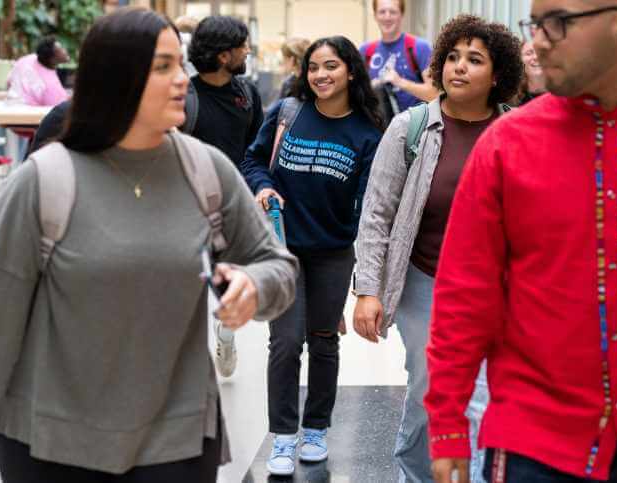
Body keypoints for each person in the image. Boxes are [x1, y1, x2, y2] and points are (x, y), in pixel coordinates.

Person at [0, 7, 297, 482]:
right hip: (50, 439)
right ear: (115, 77)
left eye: (180, 64)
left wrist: (254, 285)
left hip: (176, 439)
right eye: (163, 66)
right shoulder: (44, 181)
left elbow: (276, 266)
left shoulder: (205, 171)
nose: (182, 79)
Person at [425, 1, 617, 482]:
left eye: (557, 24)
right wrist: (448, 426)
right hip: (536, 445)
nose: (538, 41)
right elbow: (464, 294)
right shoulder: (507, 144)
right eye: (535, 24)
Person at [353, 14, 523, 483]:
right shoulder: (410, 128)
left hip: (496, 287)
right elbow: (376, 215)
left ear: (498, 75)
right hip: (425, 282)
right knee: (433, 387)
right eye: (452, 57)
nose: (459, 68)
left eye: (474, 60)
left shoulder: (515, 134)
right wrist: (368, 288)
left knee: (484, 393)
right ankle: (415, 474)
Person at [241, 35, 383, 476]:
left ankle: (316, 428)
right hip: (283, 251)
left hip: (333, 254)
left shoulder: (366, 132)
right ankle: (283, 435)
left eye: (331, 66)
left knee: (324, 342)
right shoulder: (288, 113)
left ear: (351, 72)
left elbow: (369, 204)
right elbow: (253, 160)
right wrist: (263, 186)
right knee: (285, 343)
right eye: (314, 67)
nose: (321, 75)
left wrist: (367, 270)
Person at [187, 15, 265, 379]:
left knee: (230, 285)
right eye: (242, 46)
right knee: (184, 291)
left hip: (232, 207)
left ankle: (225, 334)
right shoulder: (185, 99)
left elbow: (255, 148)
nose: (247, 51)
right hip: (187, 209)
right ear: (222, 56)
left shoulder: (246, 93)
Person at [360, 0, 438, 121]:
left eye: (392, 12)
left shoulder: (420, 47)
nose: (387, 17)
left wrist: (400, 82)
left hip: (413, 131)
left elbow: (435, 94)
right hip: (376, 131)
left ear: (401, 15)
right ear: (375, 15)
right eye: (382, 12)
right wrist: (369, 88)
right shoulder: (366, 51)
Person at [6, 35, 70, 106]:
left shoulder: (26, 60)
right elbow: (59, 108)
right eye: (60, 50)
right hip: (30, 114)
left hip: (8, 106)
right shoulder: (50, 84)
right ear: (52, 59)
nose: (65, 51)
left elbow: (9, 81)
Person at [517, 40, 546, 105]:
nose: (536, 57)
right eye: (529, 53)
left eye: (539, 52)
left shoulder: (565, 93)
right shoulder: (516, 105)